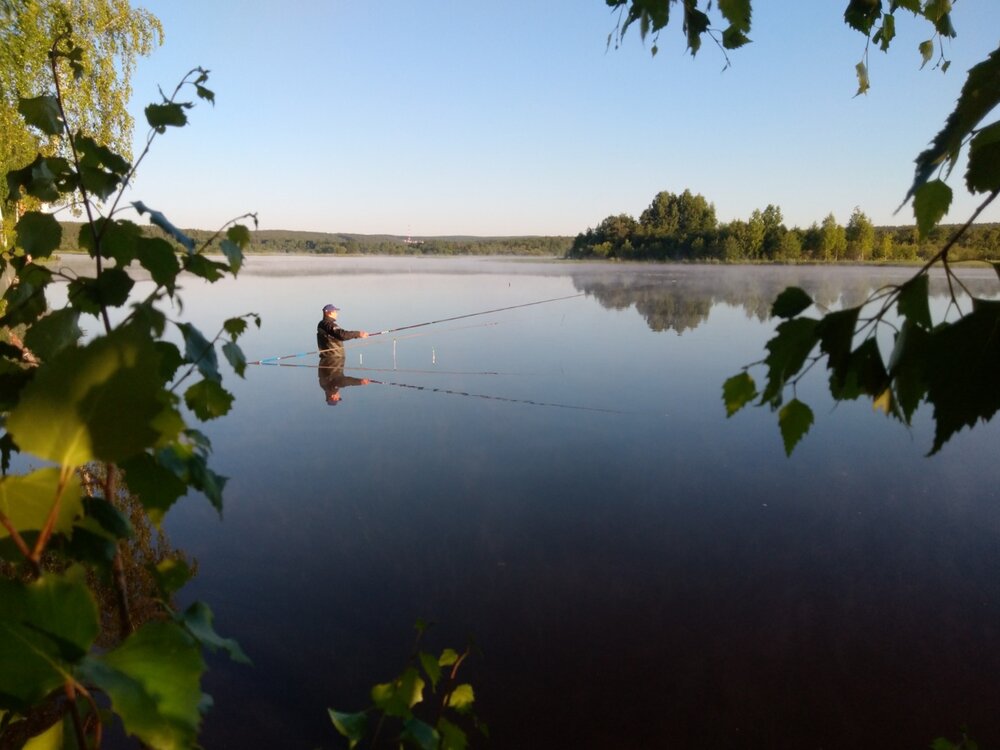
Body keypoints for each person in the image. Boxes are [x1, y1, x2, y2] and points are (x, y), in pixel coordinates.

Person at [316, 303, 370, 405]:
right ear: (329, 312)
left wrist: (357, 335)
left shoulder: (327, 387)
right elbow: (342, 335)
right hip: (333, 359)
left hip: (329, 360)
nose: (337, 313)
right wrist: (358, 334)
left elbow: (342, 382)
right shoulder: (327, 324)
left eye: (337, 398)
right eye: (335, 311)